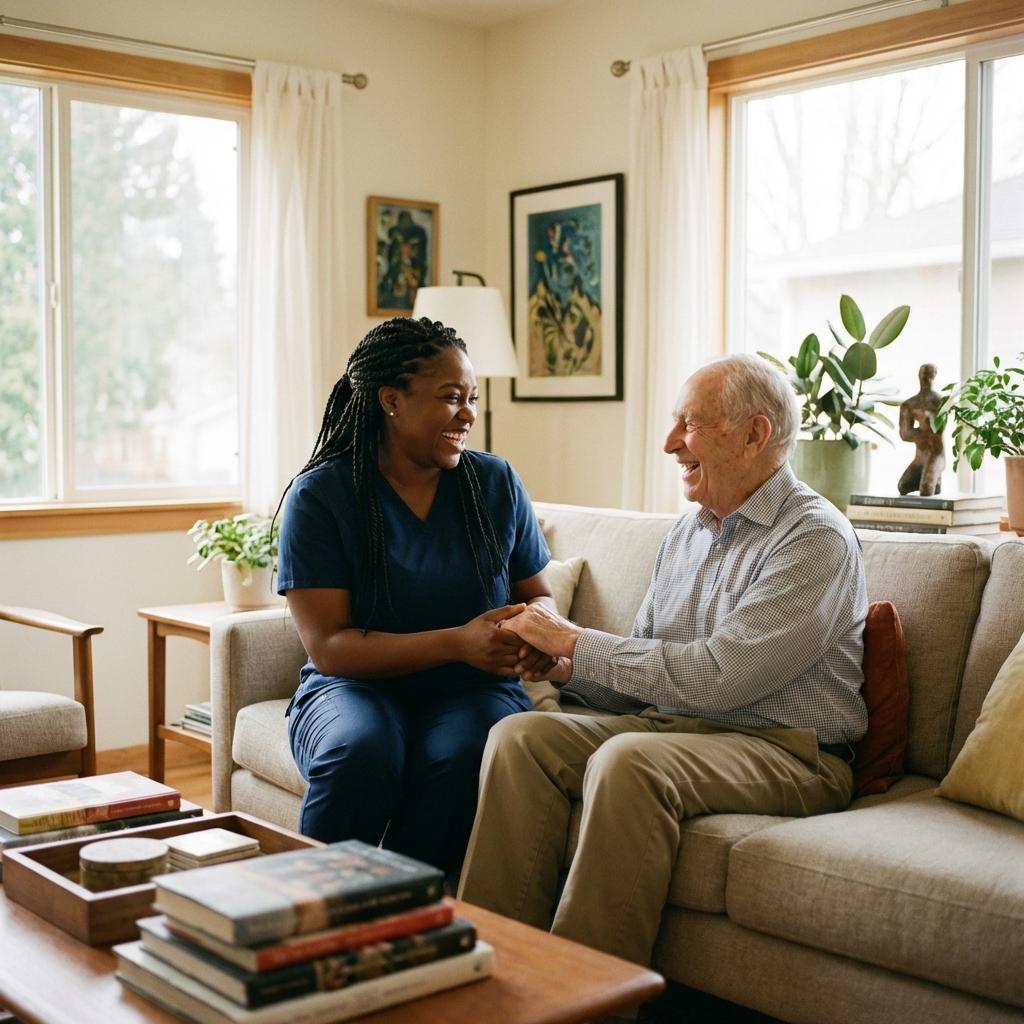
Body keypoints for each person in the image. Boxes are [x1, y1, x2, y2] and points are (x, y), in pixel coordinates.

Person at [457, 353, 869, 966]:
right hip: (675, 728)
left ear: (755, 434)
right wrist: (564, 667)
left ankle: (584, 999)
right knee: (521, 736)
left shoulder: (813, 538)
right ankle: (488, 966)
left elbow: (721, 679)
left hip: (791, 751)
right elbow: (641, 677)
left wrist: (573, 640)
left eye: (689, 423)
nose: (670, 442)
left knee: (630, 760)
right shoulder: (688, 532)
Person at [276, 316, 557, 878]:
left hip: (474, 692)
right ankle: (313, 913)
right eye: (451, 397)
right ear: (391, 401)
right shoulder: (323, 496)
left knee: (459, 756)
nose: (468, 414)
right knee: (362, 751)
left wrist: (533, 631)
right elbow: (330, 646)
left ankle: (411, 919)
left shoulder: (495, 483)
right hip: (352, 686)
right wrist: (458, 642)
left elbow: (540, 595)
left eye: (472, 398)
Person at [898, 362, 945, 496]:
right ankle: (935, 483)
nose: (925, 378)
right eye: (923, 375)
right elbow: (905, 434)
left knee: (926, 490)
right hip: (920, 457)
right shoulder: (910, 404)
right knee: (902, 487)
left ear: (934, 376)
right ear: (919, 376)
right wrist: (927, 430)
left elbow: (938, 430)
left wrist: (923, 430)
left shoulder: (940, 402)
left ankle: (934, 479)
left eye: (929, 375)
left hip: (936, 455)